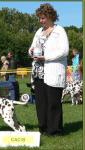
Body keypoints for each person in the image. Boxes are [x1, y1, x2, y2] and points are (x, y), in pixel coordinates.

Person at [28, 3, 69, 136]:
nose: (40, 21)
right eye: (39, 18)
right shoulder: (39, 32)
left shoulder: (60, 30)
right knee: (41, 103)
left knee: (53, 103)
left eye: (43, 18)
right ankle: (43, 128)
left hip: (53, 72)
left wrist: (46, 58)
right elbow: (31, 48)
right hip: (38, 72)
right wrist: (32, 51)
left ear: (50, 16)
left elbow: (64, 51)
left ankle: (55, 130)